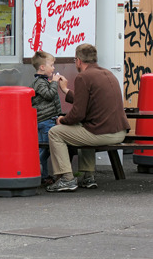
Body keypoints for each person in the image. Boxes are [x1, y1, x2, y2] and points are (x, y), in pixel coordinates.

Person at [46, 43, 130, 192]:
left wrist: (62, 120)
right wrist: (66, 90)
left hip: (103, 133)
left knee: (55, 132)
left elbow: (78, 113)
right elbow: (87, 101)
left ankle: (67, 179)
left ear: (78, 60)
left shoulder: (83, 77)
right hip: (120, 132)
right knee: (84, 128)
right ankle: (88, 177)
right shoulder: (108, 74)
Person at [31, 50, 62, 185]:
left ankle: (42, 174)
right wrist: (54, 83)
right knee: (44, 149)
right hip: (44, 121)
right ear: (42, 67)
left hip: (49, 119)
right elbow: (49, 95)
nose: (54, 68)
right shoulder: (39, 83)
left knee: (46, 148)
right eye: (52, 65)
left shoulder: (44, 81)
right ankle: (41, 175)